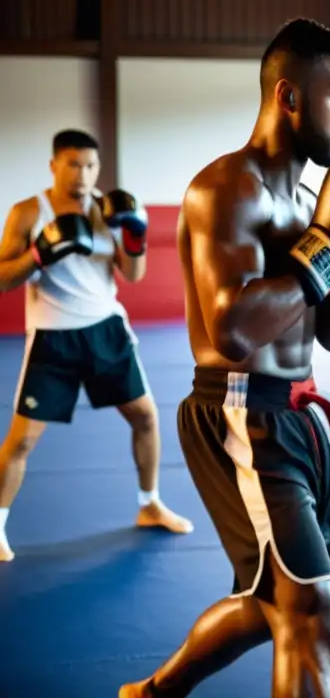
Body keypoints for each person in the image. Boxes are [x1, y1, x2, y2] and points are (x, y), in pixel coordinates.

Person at [119, 18, 330, 698]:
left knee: (274, 603)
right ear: (290, 97)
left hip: (299, 416)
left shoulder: (316, 201)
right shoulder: (229, 188)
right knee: (313, 611)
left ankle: (154, 693)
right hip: (240, 414)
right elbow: (233, 330)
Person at [0, 129, 192, 563]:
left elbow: (134, 275)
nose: (82, 174)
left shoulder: (112, 210)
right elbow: (2, 278)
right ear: (54, 165)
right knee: (23, 440)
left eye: (90, 165)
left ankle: (150, 504)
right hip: (54, 337)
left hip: (106, 330)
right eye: (72, 164)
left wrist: (136, 235)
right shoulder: (29, 212)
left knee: (145, 417)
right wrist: (38, 255)